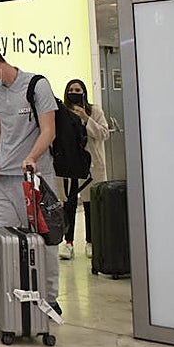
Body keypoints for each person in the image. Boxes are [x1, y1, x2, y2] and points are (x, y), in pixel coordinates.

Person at [0, 46, 60, 322]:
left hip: (35, 179)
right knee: (0, 242)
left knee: (44, 241)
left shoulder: (36, 86)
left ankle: (49, 300)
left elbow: (49, 130)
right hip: (3, 179)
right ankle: (3, 303)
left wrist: (31, 156)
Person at [60, 78, 110, 261]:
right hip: (70, 165)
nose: (75, 92)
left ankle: (90, 242)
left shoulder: (94, 110)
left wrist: (85, 118)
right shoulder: (63, 112)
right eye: (71, 89)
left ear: (84, 92)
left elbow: (104, 133)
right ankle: (69, 243)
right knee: (69, 204)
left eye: (78, 89)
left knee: (91, 206)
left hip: (91, 165)